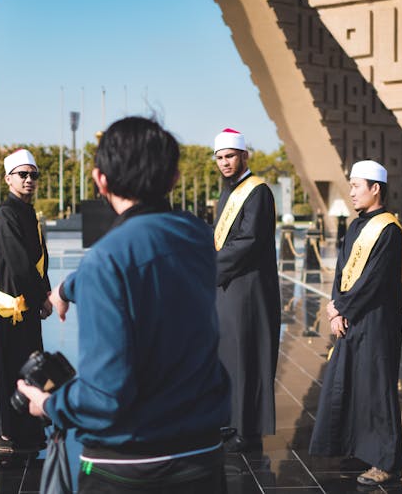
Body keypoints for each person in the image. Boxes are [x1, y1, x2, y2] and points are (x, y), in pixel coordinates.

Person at [17, 117, 231, 493]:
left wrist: (50, 405)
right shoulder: (197, 236)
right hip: (203, 453)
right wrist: (69, 287)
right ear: (174, 178)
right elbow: (146, 254)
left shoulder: (108, 258)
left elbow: (104, 395)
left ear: (101, 180)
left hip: (130, 467)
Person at [308, 159, 402, 487]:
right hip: (352, 317)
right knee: (353, 384)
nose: (350, 192)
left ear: (375, 188)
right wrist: (335, 306)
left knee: (377, 390)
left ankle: (387, 462)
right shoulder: (356, 226)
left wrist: (343, 310)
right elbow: (343, 271)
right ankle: (357, 447)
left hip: (377, 321)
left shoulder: (389, 230)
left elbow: (374, 281)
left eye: (356, 186)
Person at [212, 128, 281, 452]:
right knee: (229, 355)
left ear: (244, 156)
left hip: (249, 288)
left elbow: (249, 241)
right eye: (220, 157)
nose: (225, 162)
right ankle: (230, 419)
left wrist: (210, 267)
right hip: (229, 287)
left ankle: (248, 428)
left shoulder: (258, 192)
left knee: (248, 356)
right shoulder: (228, 191)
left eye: (230, 156)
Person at [0, 148, 53, 454]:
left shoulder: (29, 212)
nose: (29, 180)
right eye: (22, 175)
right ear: (8, 179)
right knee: (11, 371)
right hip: (11, 308)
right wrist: (41, 296)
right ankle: (9, 434)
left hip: (29, 304)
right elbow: (19, 263)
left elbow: (39, 259)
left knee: (31, 369)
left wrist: (46, 293)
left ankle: (31, 429)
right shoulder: (5, 213)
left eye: (33, 175)